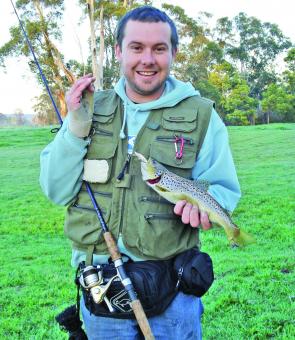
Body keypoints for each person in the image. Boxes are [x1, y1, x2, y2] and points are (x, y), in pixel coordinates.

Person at [40, 5, 241, 340]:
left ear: (173, 53)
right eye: (136, 47)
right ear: (118, 51)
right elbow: (56, 191)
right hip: (103, 290)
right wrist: (75, 123)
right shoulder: (90, 109)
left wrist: (205, 210)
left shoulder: (202, 115)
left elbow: (222, 190)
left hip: (172, 292)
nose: (147, 59)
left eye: (159, 48)